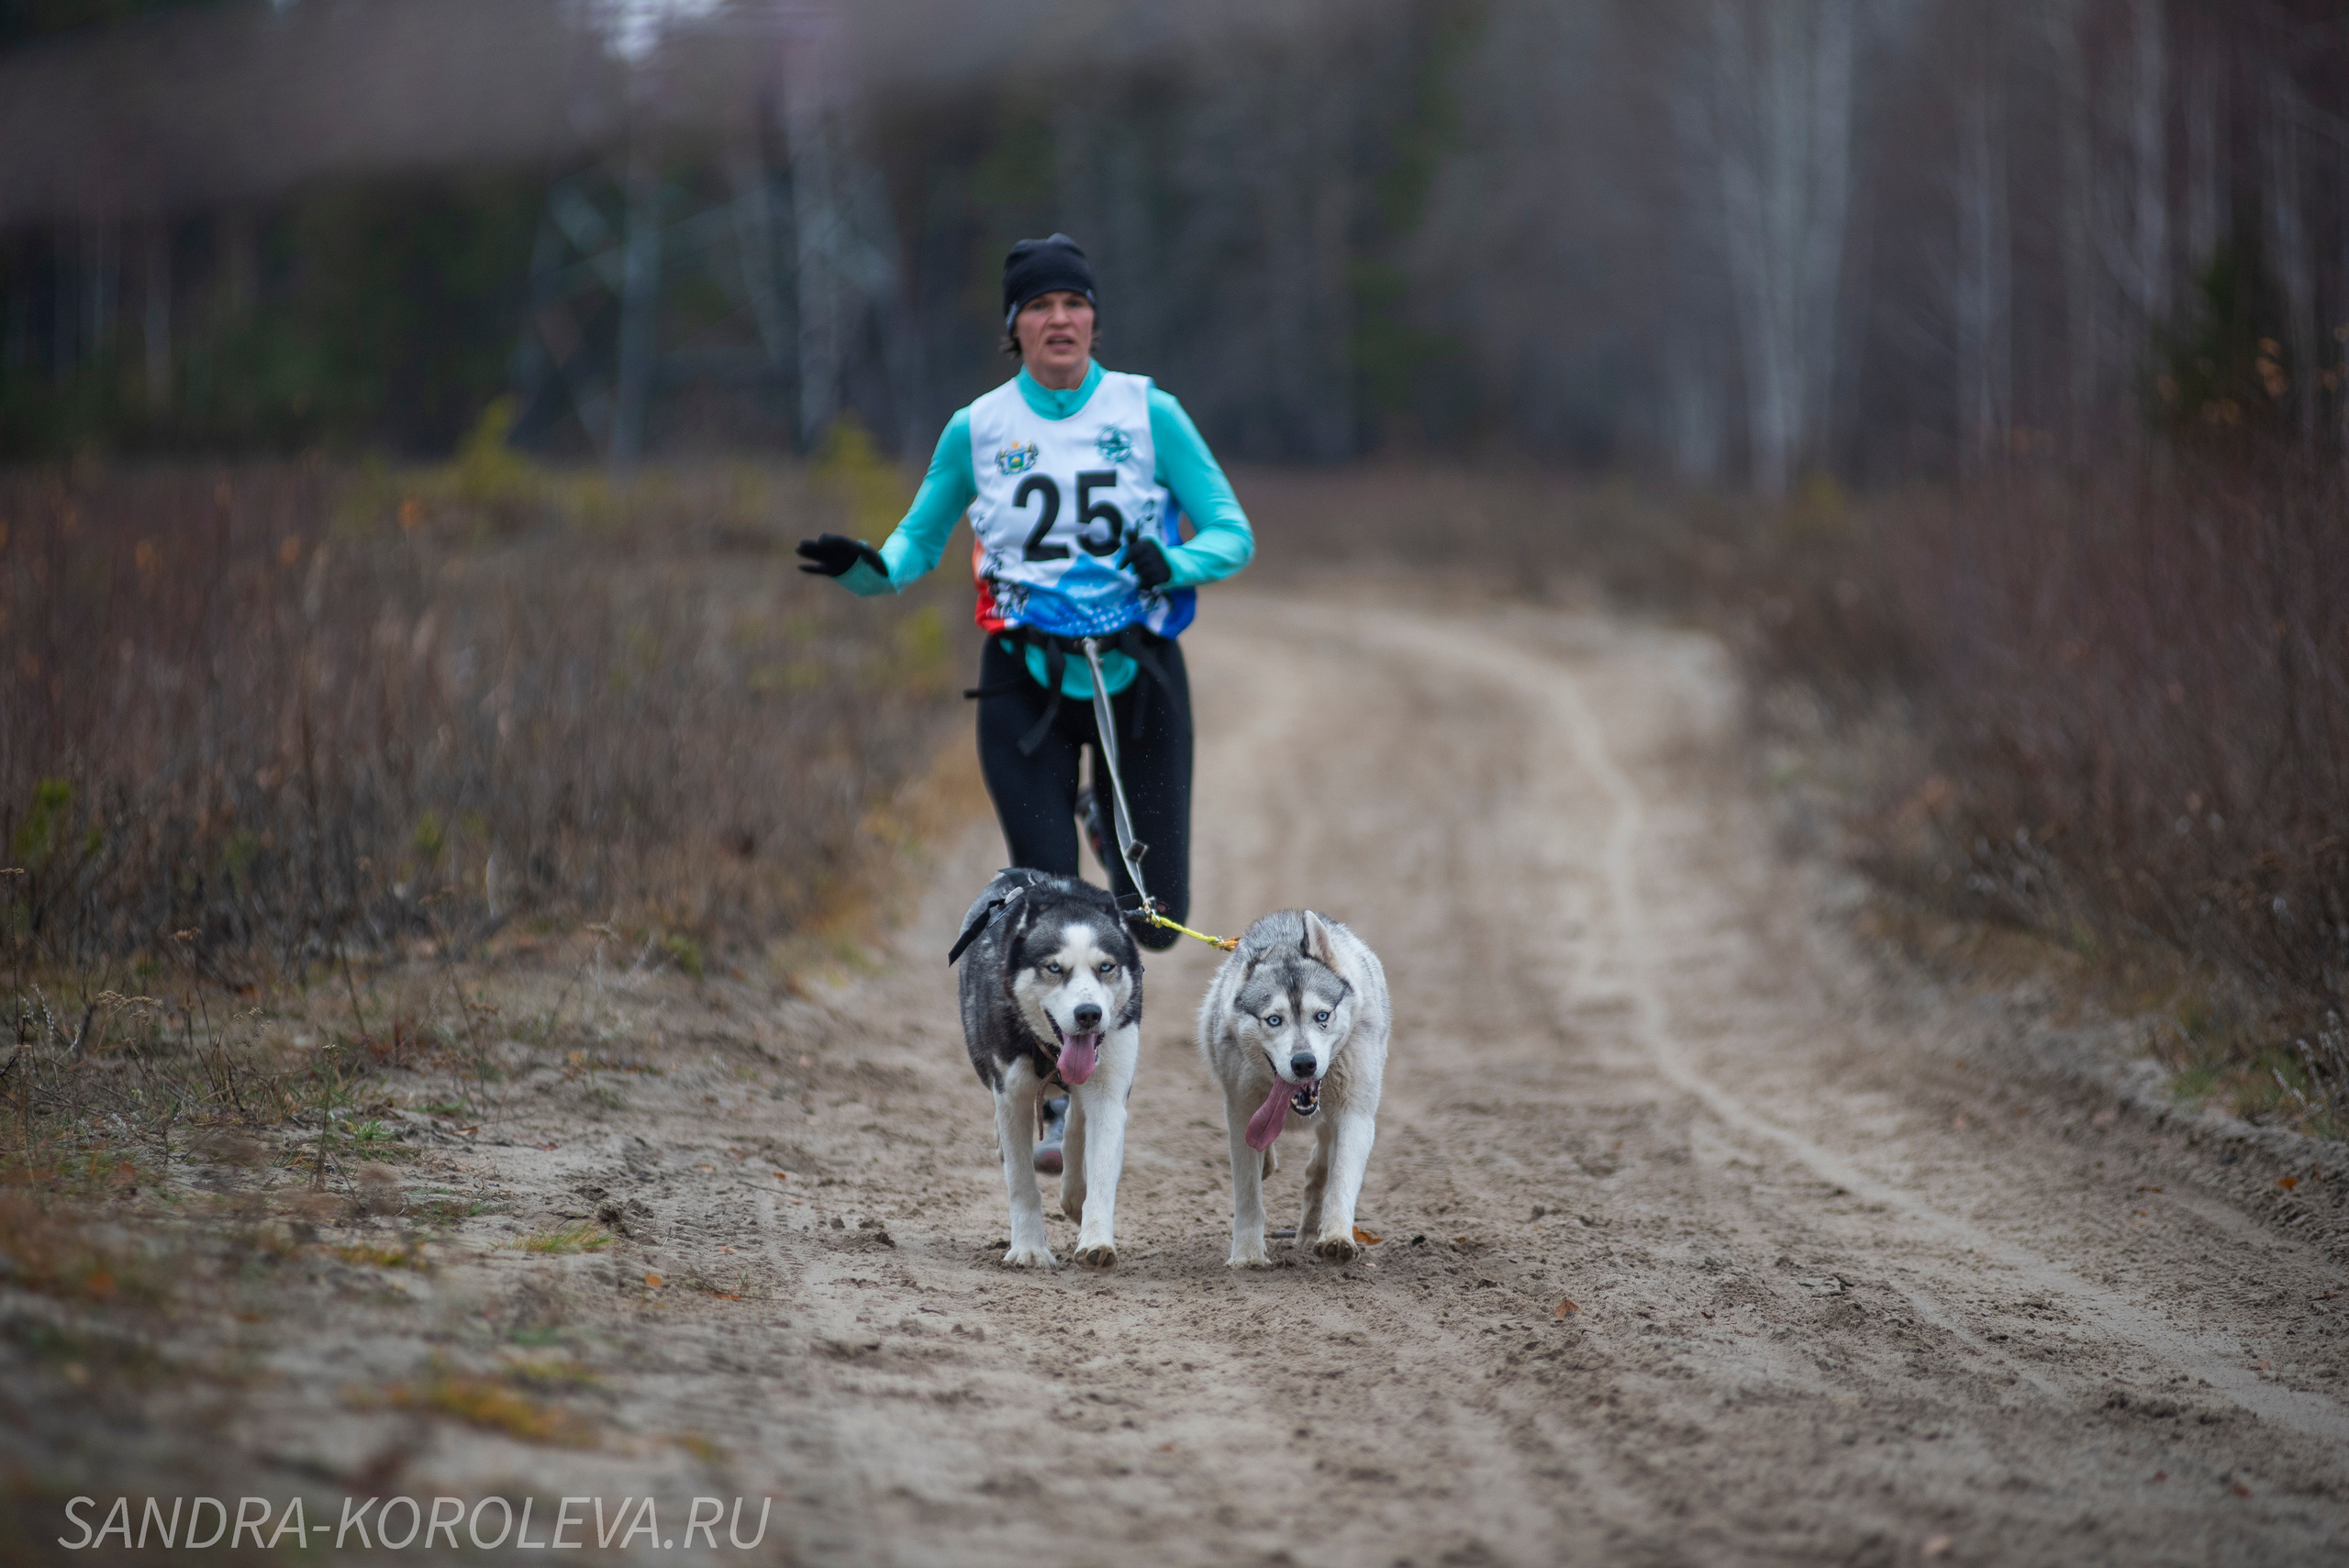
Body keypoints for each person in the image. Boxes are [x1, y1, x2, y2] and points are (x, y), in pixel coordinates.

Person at [796, 234, 1254, 1171]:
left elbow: (1232, 532)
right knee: (1043, 904)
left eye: (1073, 303)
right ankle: (1052, 1103)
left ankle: (1105, 812)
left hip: (1137, 672)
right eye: (1038, 306)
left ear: (1093, 318)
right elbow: (914, 544)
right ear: (1014, 326)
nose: (1059, 319)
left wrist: (1175, 561)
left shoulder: (1147, 409)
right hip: (1023, 680)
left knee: (1155, 920)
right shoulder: (977, 426)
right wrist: (865, 572)